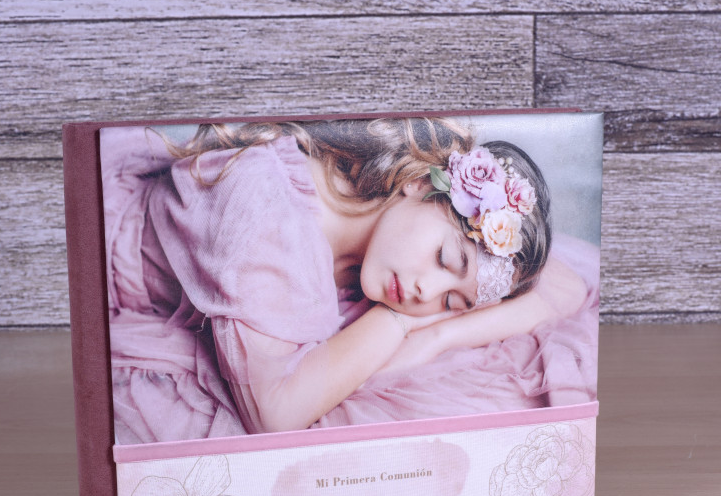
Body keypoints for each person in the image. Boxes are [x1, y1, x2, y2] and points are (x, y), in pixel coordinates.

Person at [101, 117, 595, 442]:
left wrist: (441, 335)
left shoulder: (379, 239)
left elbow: (565, 286)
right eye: (446, 259)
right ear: (418, 183)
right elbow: (274, 416)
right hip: (99, 260)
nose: (426, 292)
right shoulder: (267, 215)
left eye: (452, 302)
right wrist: (402, 325)